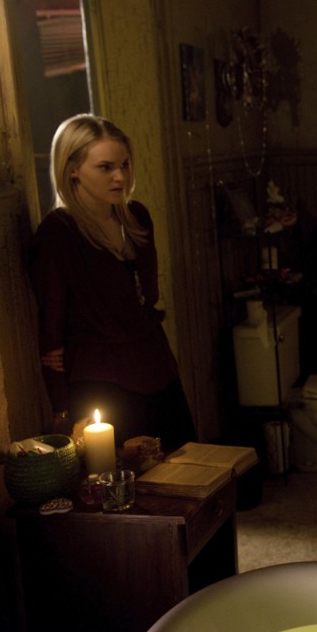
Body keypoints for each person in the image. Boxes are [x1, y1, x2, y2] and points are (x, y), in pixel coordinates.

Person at [27, 114, 196, 451]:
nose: (120, 176)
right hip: (102, 377)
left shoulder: (136, 218)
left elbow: (147, 298)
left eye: (124, 165)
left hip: (155, 365)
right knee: (125, 473)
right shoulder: (59, 233)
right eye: (105, 167)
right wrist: (60, 407)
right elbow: (52, 331)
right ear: (73, 169)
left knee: (187, 463)